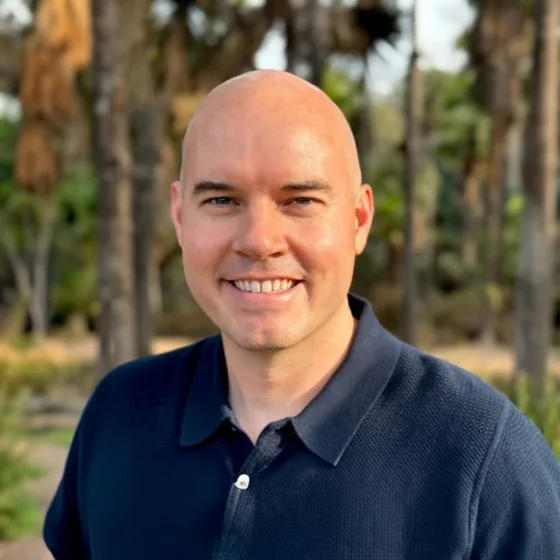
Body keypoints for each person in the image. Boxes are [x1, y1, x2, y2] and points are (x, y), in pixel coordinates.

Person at [43, 70, 560, 560]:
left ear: (359, 219)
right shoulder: (119, 415)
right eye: (222, 200)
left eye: (300, 201)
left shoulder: (484, 456)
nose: (259, 241)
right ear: (181, 218)